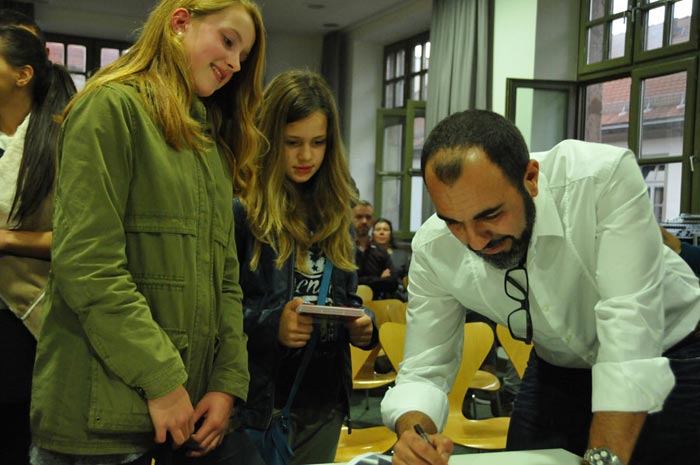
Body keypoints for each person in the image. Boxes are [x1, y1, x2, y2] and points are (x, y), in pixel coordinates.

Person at [381, 109, 700, 465]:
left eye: (490, 216)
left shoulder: (599, 179)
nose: (474, 241)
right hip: (556, 364)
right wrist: (415, 435)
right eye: (453, 222)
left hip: (670, 350)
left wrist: (603, 457)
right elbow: (425, 366)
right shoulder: (433, 246)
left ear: (531, 178)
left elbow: (630, 329)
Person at [30, 1, 267, 464]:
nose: (236, 64)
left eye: (244, 55)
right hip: (98, 428)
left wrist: (226, 384)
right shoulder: (109, 107)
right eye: (228, 41)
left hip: (183, 424)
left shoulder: (210, 146)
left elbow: (226, 283)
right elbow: (88, 267)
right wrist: (160, 380)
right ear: (180, 22)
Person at [234, 69, 378, 465]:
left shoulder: (338, 208)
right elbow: (216, 310)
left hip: (325, 400)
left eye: (318, 143)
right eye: (292, 143)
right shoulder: (244, 209)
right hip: (262, 402)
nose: (306, 156)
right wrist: (270, 325)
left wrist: (363, 324)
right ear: (267, 141)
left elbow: (346, 297)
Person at [0, 25, 75, 465]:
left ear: (22, 75)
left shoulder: (57, 140)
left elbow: (78, 239)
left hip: (28, 321)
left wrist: (6, 239)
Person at [354, 202, 398, 299]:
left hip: (377, 304)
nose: (364, 221)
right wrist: (379, 279)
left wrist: (363, 280)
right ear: (351, 219)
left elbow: (393, 283)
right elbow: (347, 282)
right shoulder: (344, 249)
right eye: (359, 217)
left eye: (368, 217)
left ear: (372, 221)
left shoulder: (381, 250)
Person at [372, 217, 410, 300]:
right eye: (378, 230)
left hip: (398, 298)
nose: (382, 232)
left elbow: (408, 280)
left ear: (390, 233)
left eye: (385, 230)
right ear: (373, 233)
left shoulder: (401, 255)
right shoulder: (366, 255)